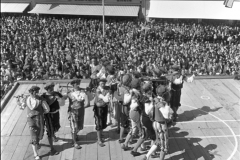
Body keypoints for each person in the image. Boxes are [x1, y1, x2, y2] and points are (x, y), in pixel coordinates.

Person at [142, 85, 172, 160]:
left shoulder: (155, 99)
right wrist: (168, 106)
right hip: (161, 124)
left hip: (155, 123)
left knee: (157, 140)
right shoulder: (162, 102)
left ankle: (147, 156)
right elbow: (166, 115)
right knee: (164, 146)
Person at [22, 86, 51, 160]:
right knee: (33, 136)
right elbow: (21, 107)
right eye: (35, 92)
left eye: (37, 92)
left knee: (40, 134)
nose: (37, 93)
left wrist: (41, 113)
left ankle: (37, 143)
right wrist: (19, 102)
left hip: (39, 120)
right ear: (31, 92)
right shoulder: (26, 99)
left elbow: (47, 109)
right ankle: (35, 154)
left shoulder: (41, 99)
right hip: (31, 121)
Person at [130, 82, 156, 157]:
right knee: (153, 136)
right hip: (148, 119)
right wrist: (153, 103)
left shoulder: (141, 97)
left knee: (144, 135)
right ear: (149, 90)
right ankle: (153, 153)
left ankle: (134, 150)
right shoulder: (147, 99)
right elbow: (148, 110)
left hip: (143, 117)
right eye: (151, 88)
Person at [67, 79, 89, 149]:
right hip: (73, 111)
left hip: (81, 111)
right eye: (76, 83)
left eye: (78, 83)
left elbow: (88, 102)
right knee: (74, 127)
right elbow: (64, 99)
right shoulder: (70, 92)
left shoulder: (83, 91)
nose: (78, 84)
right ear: (73, 85)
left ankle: (75, 136)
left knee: (79, 126)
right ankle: (74, 142)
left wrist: (88, 93)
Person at [41, 82, 62, 155]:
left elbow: (63, 99)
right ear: (47, 89)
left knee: (56, 127)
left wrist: (61, 95)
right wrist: (53, 98)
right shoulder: (43, 96)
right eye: (50, 88)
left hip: (56, 114)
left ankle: (53, 135)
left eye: (52, 87)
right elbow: (45, 106)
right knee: (50, 131)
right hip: (49, 116)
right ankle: (52, 149)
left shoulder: (56, 93)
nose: (52, 89)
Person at [93, 78, 110, 147]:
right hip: (98, 108)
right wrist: (106, 97)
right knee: (99, 123)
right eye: (101, 83)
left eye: (104, 83)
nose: (103, 84)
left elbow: (107, 98)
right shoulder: (97, 90)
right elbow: (105, 99)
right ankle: (99, 139)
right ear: (99, 83)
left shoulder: (106, 88)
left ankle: (101, 135)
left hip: (104, 107)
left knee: (103, 121)